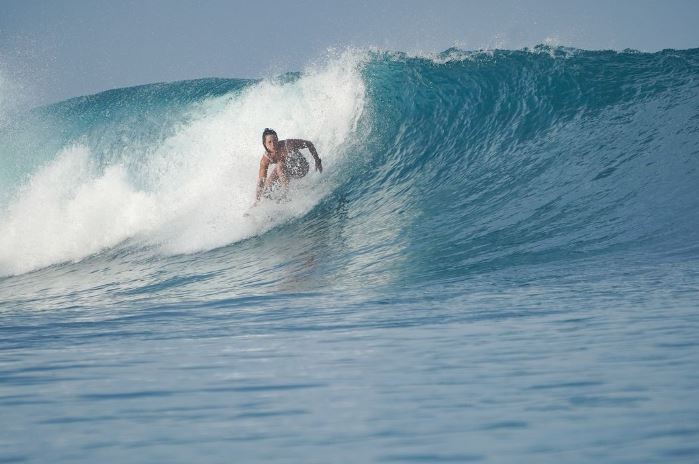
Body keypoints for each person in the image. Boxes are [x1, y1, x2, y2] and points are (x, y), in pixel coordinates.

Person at [254, 128, 323, 204]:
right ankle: (261, 204)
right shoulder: (265, 159)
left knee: (279, 165)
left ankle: (285, 194)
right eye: (269, 142)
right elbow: (261, 180)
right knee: (267, 186)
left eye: (275, 140)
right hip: (286, 170)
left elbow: (309, 144)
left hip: (302, 168)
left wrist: (317, 160)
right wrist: (256, 200)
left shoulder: (288, 144)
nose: (273, 144)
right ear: (265, 144)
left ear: (277, 139)